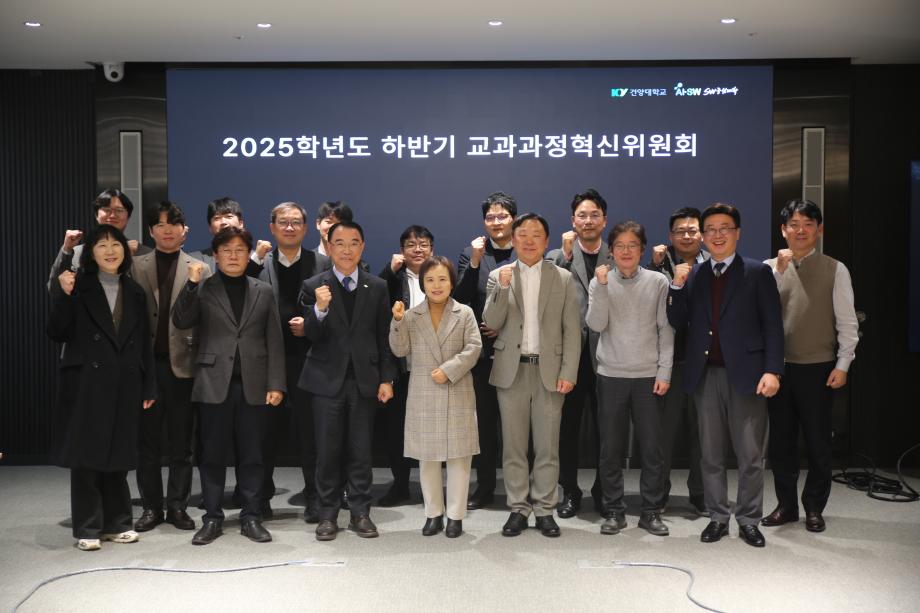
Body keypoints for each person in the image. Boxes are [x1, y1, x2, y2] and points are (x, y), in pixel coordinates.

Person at [667, 203, 784, 548]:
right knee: (710, 454)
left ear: (737, 233)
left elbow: (773, 327)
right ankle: (718, 516)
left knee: (750, 455)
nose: (717, 235)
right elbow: (677, 322)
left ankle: (748, 519)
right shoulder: (696, 274)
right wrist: (676, 287)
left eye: (725, 228)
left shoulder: (757, 272)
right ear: (703, 236)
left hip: (748, 376)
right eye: (711, 230)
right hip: (706, 376)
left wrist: (773, 370)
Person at [172, 226, 286, 545]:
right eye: (226, 251)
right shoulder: (203, 287)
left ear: (248, 254)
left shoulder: (263, 290)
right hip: (213, 382)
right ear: (216, 255)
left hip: (254, 384)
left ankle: (251, 516)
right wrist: (191, 284)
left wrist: (276, 383)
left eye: (239, 250)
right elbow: (181, 320)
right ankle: (212, 517)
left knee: (253, 455)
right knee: (212, 455)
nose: (233, 256)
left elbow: (274, 340)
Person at [47, 224, 156, 551]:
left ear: (124, 250)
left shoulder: (135, 291)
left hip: (126, 382)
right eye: (102, 245)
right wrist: (63, 295)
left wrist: (149, 386)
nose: (110, 251)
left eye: (115, 244)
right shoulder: (78, 285)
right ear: (91, 253)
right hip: (86, 383)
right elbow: (57, 331)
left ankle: (118, 523)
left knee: (118, 455)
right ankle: (88, 527)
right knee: (87, 458)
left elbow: (144, 345)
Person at [762, 199, 858, 533]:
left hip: (818, 368)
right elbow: (762, 312)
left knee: (818, 443)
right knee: (781, 444)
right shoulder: (769, 268)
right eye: (794, 224)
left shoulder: (835, 269)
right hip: (777, 369)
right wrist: (779, 272)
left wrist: (843, 364)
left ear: (819, 230)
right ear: (783, 230)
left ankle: (814, 507)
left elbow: (847, 322)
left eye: (808, 224)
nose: (800, 230)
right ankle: (786, 506)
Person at [483, 213, 581, 538]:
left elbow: (572, 330)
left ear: (546, 241)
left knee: (547, 446)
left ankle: (545, 509)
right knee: (513, 446)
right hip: (511, 371)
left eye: (536, 235)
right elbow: (491, 321)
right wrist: (503, 288)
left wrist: (569, 371)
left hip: (549, 372)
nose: (528, 240)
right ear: (513, 240)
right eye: (522, 234)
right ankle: (518, 508)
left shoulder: (563, 278)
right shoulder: (499, 275)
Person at [299, 220, 397, 541]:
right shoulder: (314, 285)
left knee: (361, 451)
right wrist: (320, 309)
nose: (346, 250)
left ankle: (360, 513)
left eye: (354, 243)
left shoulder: (377, 286)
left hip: (364, 381)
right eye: (339, 243)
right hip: (325, 381)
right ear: (328, 247)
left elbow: (384, 337)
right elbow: (310, 334)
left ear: (362, 246)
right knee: (327, 452)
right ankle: (327, 515)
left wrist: (387, 378)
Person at [587, 221, 673, 536]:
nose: (626, 251)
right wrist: (602, 287)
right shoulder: (600, 281)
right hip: (611, 375)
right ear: (611, 250)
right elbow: (595, 324)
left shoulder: (658, 281)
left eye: (632, 245)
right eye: (620, 246)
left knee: (651, 449)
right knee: (610, 448)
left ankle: (651, 511)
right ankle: (614, 510)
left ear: (642, 249)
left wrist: (664, 371)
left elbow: (666, 329)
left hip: (648, 376)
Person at [389, 256, 482, 538]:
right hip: (424, 393)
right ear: (422, 284)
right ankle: (433, 514)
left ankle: (455, 516)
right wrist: (397, 321)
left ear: (452, 283)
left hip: (457, 390)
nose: (436, 285)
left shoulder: (464, 313)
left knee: (459, 459)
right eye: (430, 280)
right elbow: (399, 349)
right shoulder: (411, 315)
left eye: (442, 279)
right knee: (427, 459)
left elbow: (474, 347)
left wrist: (449, 369)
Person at [131, 202, 209, 533]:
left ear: (184, 230)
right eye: (160, 224)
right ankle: (151, 507)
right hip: (145, 367)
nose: (167, 230)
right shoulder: (134, 266)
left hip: (184, 368)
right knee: (147, 443)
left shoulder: (201, 268)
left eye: (173, 224)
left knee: (182, 444)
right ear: (151, 231)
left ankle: (177, 506)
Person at [251, 202, 331, 522]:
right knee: (265, 434)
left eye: (296, 222)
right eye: (283, 222)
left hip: (309, 359)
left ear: (306, 228)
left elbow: (335, 312)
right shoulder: (260, 263)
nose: (289, 227)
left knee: (310, 434)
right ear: (272, 227)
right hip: (268, 361)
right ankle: (260, 498)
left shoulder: (323, 263)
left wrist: (310, 324)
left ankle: (315, 497)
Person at [546, 189, 614, 518]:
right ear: (573, 220)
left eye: (594, 215)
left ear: (604, 220)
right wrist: (564, 255)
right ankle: (569, 490)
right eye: (582, 215)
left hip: (608, 355)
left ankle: (604, 490)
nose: (588, 221)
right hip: (569, 357)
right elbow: (544, 289)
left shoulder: (618, 253)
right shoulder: (557, 256)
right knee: (567, 428)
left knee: (607, 429)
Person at [454, 191, 517, 510]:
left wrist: (505, 327)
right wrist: (475, 262)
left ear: (513, 219)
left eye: (502, 216)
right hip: (482, 354)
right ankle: (485, 486)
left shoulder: (526, 250)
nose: (496, 221)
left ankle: (521, 487)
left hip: (519, 352)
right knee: (485, 425)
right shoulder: (471, 253)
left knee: (519, 425)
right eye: (490, 217)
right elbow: (461, 299)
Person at [646, 206, 709, 515]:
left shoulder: (713, 264)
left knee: (704, 433)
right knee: (663, 434)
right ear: (670, 236)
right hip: (666, 362)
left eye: (692, 230)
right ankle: (658, 494)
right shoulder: (659, 264)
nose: (686, 235)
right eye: (680, 231)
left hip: (705, 362)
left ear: (702, 234)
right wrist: (655, 266)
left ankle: (701, 493)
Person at [377, 225, 436, 507]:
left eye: (423, 244)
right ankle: (400, 485)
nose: (417, 249)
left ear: (432, 249)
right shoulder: (392, 278)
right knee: (396, 430)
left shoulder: (440, 277)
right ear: (401, 251)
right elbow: (376, 298)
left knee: (433, 430)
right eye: (411, 245)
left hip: (433, 367)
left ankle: (432, 489)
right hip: (400, 366)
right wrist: (390, 271)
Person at [48, 188, 151, 293]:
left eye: (119, 210)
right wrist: (67, 250)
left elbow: (150, 294)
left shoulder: (143, 253)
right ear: (96, 215)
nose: (112, 215)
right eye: (106, 209)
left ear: (128, 216)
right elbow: (54, 289)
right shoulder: (77, 253)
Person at [189, 197, 263, 276]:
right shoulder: (193, 259)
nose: (223, 222)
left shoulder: (258, 259)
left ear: (241, 223)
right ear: (210, 227)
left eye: (229, 216)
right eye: (217, 218)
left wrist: (255, 260)